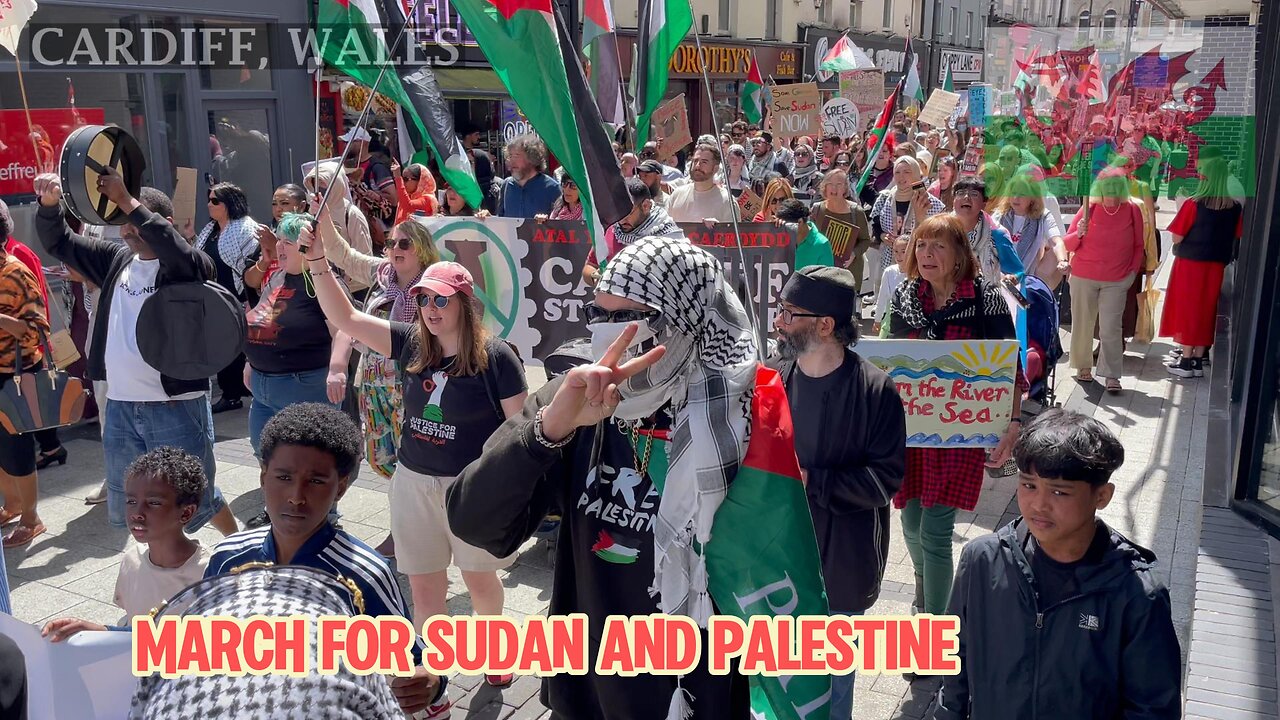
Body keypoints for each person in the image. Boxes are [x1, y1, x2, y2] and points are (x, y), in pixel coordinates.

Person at [447, 237, 756, 719]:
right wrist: (547, 431)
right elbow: (475, 523)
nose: (608, 337)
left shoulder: (742, 418)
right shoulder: (572, 399)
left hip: (703, 689)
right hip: (591, 689)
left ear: (686, 320)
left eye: (629, 318)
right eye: (599, 316)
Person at [303, 248, 527, 686]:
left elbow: (519, 432)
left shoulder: (497, 357)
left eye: (441, 300)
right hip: (413, 484)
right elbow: (347, 319)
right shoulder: (409, 342)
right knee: (425, 590)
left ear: (465, 302)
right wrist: (317, 263)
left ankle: (496, 654)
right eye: (424, 300)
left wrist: (513, 492)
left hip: (472, 490)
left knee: (480, 583)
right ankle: (435, 677)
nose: (430, 309)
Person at [204, 403, 450, 718]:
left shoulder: (363, 575)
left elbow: (413, 657)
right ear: (264, 477)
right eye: (283, 476)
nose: (296, 495)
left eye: (317, 481)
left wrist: (433, 680)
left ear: (341, 487)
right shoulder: (228, 558)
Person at [935, 409, 1181, 719]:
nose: (1039, 504)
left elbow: (1153, 708)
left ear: (1102, 496)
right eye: (1028, 485)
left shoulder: (1136, 593)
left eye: (1059, 491)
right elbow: (953, 656)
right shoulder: (982, 560)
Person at [33, 171, 238, 537]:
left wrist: (127, 199)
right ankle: (164, 566)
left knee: (194, 497)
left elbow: (170, 244)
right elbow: (60, 242)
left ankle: (237, 544)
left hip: (175, 404)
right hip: (122, 406)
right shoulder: (116, 259)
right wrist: (50, 207)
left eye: (134, 224)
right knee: (140, 500)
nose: (127, 232)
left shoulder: (187, 265)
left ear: (164, 223)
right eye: (123, 225)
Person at [770, 265, 906, 717]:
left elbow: (884, 480)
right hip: (777, 559)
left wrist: (814, 483)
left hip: (842, 563)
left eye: (789, 313)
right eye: (779, 309)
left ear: (826, 325)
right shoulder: (773, 380)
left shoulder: (877, 392)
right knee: (778, 680)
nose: (778, 322)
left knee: (830, 687)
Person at [884, 215, 1025, 626]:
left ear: (961, 254)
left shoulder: (987, 298)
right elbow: (890, 361)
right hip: (911, 435)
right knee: (910, 526)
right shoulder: (906, 297)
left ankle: (934, 629)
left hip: (960, 434)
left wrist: (1013, 423)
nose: (927, 254)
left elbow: (1008, 366)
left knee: (935, 533)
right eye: (922, 245)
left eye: (939, 246)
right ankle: (924, 587)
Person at [42, 447, 211, 638]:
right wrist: (96, 630)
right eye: (131, 501)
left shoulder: (210, 574)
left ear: (186, 512)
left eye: (154, 503)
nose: (137, 513)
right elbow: (135, 629)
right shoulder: (132, 560)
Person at [243, 212, 346, 460]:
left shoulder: (322, 280)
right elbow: (262, 317)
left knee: (309, 462)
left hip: (304, 387)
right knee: (266, 456)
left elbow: (344, 328)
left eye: (287, 242)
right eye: (278, 240)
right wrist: (251, 361)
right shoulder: (278, 276)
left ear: (305, 246)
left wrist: (337, 368)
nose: (279, 246)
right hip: (262, 387)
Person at [1063, 170, 1145, 393]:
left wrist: (1131, 274)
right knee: (1083, 323)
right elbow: (1068, 244)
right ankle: (1083, 366)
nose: (1110, 190)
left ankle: (1111, 374)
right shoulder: (1089, 208)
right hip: (1083, 276)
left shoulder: (1133, 210)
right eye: (1106, 185)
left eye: (1115, 185)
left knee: (1111, 327)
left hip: (1117, 279)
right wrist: (1079, 233)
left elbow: (1139, 246)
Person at [1161, 157, 1243, 378]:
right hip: (1216, 264)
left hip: (1190, 263)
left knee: (1189, 308)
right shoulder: (1234, 207)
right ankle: (1197, 358)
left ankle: (1186, 360)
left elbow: (1177, 237)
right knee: (1207, 309)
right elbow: (1237, 235)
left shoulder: (1193, 204)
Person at [0, 199, 65, 469]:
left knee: (24, 429)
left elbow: (37, 316)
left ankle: (51, 449)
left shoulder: (18, 259)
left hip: (19, 362)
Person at [0, 240, 50, 548]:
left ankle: (32, 520)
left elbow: (36, 330)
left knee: (17, 449)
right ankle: (13, 505)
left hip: (13, 375)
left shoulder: (15, 273)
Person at [197, 182, 259, 414]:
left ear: (229, 204)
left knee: (246, 346)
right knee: (222, 347)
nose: (209, 205)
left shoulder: (245, 229)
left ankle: (247, 389)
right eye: (209, 200)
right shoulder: (209, 230)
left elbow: (250, 265)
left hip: (239, 296)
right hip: (215, 297)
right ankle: (231, 393)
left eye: (215, 201)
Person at [582, 178, 684, 287]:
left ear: (646, 206)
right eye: (617, 212)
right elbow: (589, 266)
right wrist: (596, 277)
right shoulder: (611, 229)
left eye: (627, 213)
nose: (621, 219)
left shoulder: (669, 240)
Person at [870, 157, 946, 301]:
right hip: (891, 258)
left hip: (919, 261)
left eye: (907, 172)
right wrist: (882, 235)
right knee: (890, 301)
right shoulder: (886, 198)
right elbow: (876, 222)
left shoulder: (929, 202)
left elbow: (939, 233)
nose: (901, 176)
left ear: (916, 173)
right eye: (897, 172)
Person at [992, 175, 1068, 289]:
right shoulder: (999, 215)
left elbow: (1057, 242)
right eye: (1012, 192)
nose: (1016, 197)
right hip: (1000, 278)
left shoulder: (1044, 216)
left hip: (1028, 280)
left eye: (1022, 194)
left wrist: (1062, 261)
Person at [951, 177, 1025, 288]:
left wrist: (1011, 278)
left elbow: (1018, 272)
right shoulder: (941, 230)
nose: (966, 197)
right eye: (960, 193)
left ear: (984, 203)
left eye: (974, 194)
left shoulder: (997, 235)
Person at [809, 169, 872, 291]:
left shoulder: (856, 212)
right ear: (824, 188)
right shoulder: (816, 210)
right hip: (823, 273)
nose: (834, 188)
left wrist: (854, 254)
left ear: (845, 188)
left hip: (849, 274)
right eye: (830, 184)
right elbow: (810, 238)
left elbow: (865, 240)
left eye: (839, 184)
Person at [341, 127, 398, 251]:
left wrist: (369, 194)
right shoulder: (350, 166)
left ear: (362, 143)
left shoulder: (377, 167)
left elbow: (393, 199)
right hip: (357, 229)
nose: (346, 145)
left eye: (349, 142)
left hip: (377, 231)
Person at [664, 143, 738, 223]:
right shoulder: (677, 195)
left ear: (715, 168)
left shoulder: (728, 202)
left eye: (704, 162)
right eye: (695, 161)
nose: (698, 166)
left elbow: (734, 233)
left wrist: (719, 229)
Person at [497, 133, 560, 218]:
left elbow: (562, 222)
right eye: (510, 156)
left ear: (532, 158)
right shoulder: (506, 185)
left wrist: (548, 221)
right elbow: (500, 219)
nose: (511, 161)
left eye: (516, 156)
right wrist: (487, 219)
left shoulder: (552, 188)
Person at [774, 200, 834, 269]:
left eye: (786, 227)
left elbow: (827, 277)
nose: (784, 231)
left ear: (800, 222)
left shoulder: (822, 244)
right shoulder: (778, 240)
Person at [873, 236, 910, 333]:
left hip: (910, 323)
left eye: (903, 251)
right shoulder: (889, 272)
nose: (899, 256)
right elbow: (882, 297)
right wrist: (877, 320)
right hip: (891, 320)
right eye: (895, 251)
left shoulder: (917, 274)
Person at [461, 123, 497, 212]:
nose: (479, 137)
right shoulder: (459, 152)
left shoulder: (479, 153)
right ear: (468, 136)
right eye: (476, 134)